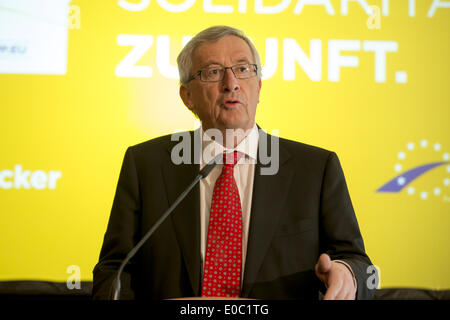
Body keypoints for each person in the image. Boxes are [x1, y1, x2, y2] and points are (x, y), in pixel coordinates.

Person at [92, 25, 377, 300]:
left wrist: (348, 273)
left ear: (259, 85)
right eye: (213, 72)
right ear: (187, 96)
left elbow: (358, 264)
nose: (231, 84)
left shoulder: (315, 168)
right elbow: (115, 269)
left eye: (242, 69)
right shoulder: (146, 165)